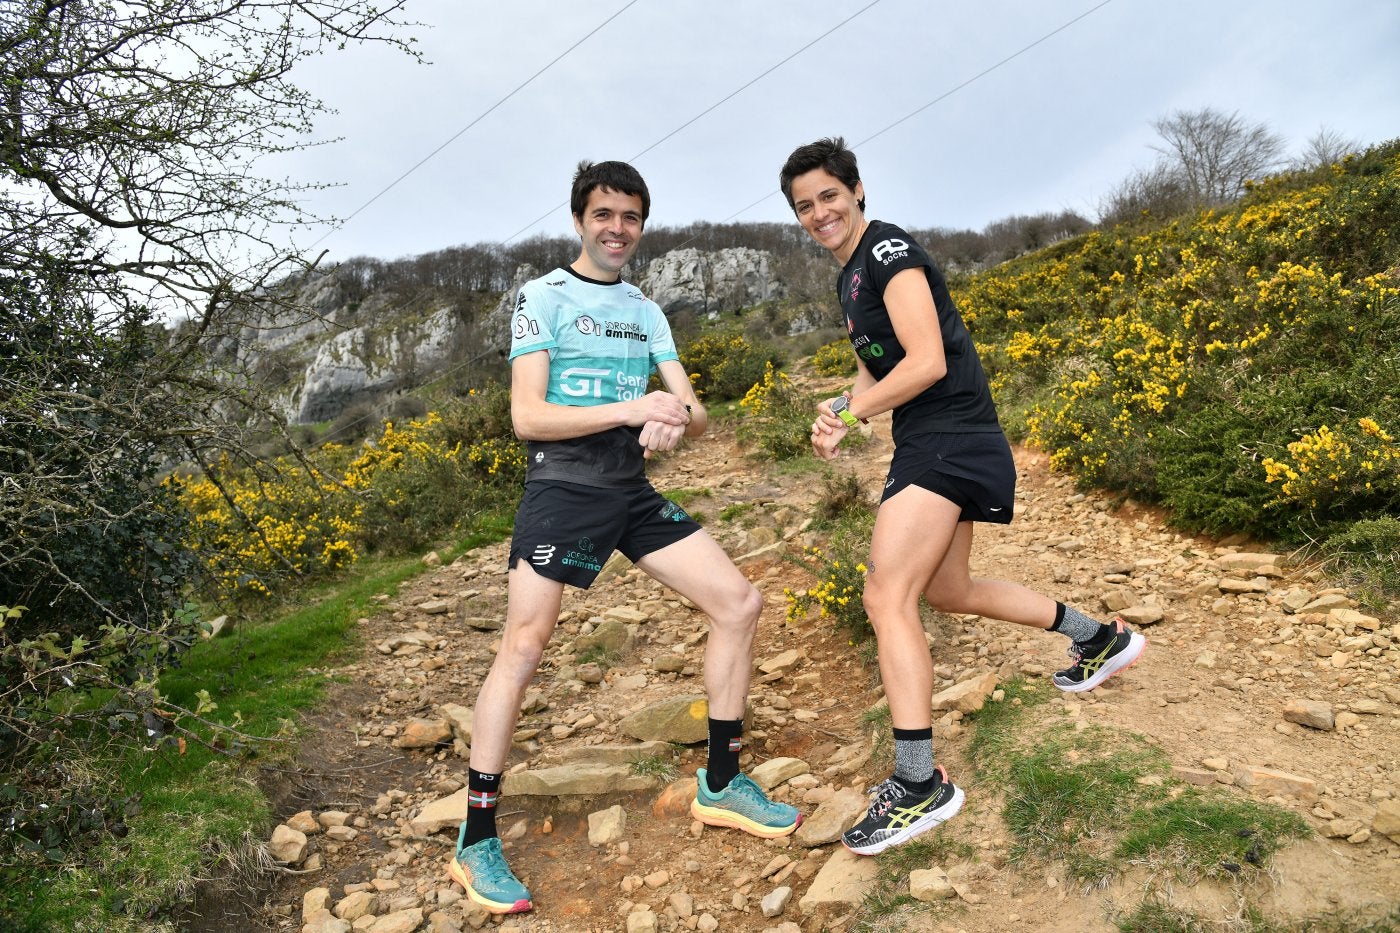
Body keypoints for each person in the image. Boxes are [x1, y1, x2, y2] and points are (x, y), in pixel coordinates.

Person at [446, 160, 801, 915]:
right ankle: (477, 837)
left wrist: (676, 414)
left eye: (631, 217)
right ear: (580, 218)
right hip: (564, 485)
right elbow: (527, 418)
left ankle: (720, 781)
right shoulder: (541, 297)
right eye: (604, 214)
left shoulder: (645, 309)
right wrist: (633, 409)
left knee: (738, 602)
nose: (617, 228)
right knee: (524, 645)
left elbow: (695, 410)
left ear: (641, 225)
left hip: (629, 490)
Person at [778, 137, 1146, 856]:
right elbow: (872, 362)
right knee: (947, 588)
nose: (818, 212)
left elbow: (927, 360)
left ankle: (919, 786)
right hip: (943, 435)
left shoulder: (886, 253)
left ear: (856, 189)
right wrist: (840, 413)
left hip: (946, 434)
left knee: (886, 595)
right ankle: (1097, 638)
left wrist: (858, 414)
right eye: (803, 205)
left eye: (828, 195)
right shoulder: (850, 276)